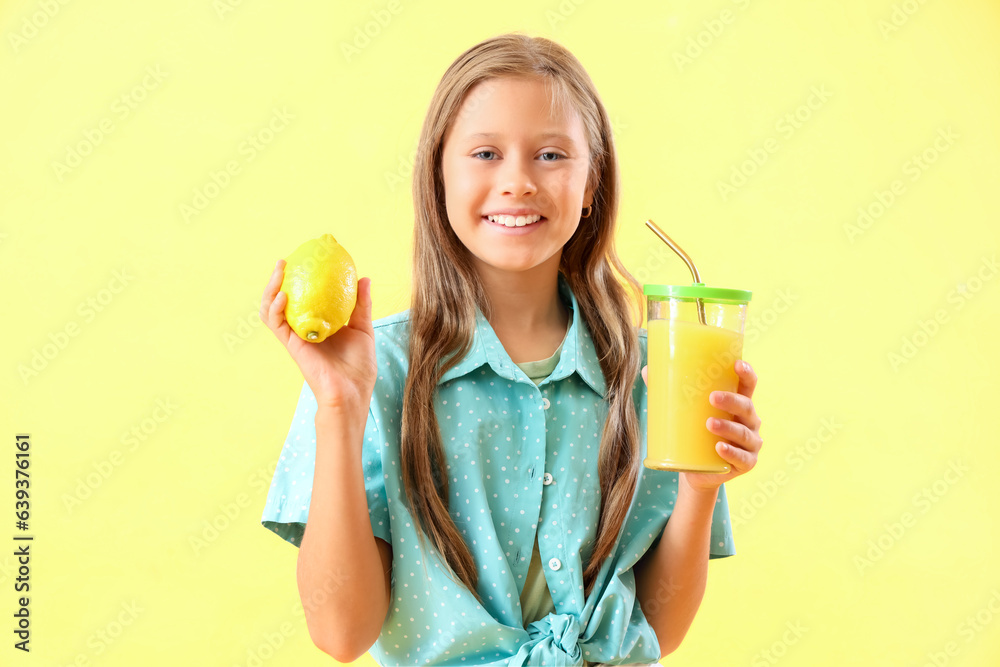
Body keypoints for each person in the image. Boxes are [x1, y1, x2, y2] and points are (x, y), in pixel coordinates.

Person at [258, 32, 763, 667]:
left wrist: (699, 488)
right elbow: (341, 634)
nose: (518, 182)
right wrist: (337, 408)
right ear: (438, 173)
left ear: (591, 184)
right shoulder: (371, 370)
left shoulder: (650, 375)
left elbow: (657, 628)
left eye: (551, 155)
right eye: (486, 153)